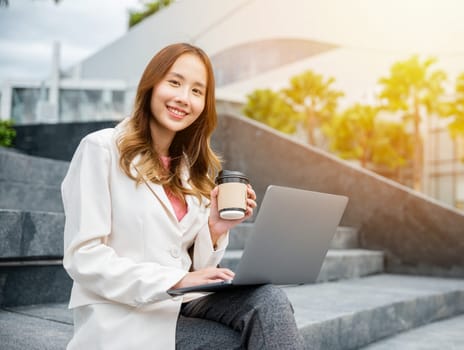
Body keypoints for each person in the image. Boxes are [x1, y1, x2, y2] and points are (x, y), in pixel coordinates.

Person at [61, 43, 304, 350]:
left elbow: (191, 266)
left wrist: (214, 229)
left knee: (268, 299)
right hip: (125, 314)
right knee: (231, 343)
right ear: (151, 84)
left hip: (179, 303)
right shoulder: (102, 149)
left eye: (196, 91)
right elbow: (84, 257)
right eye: (174, 83)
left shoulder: (191, 172)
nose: (183, 98)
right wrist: (173, 281)